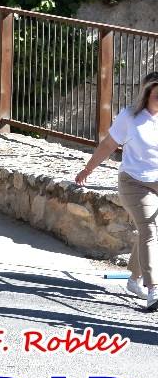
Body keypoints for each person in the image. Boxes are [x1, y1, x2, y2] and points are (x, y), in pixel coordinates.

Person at [76, 73, 158, 311]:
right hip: (134, 182)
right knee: (150, 230)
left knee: (150, 232)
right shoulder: (130, 117)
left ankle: (134, 280)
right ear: (146, 93)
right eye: (155, 91)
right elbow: (108, 145)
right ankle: (154, 289)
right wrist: (87, 170)